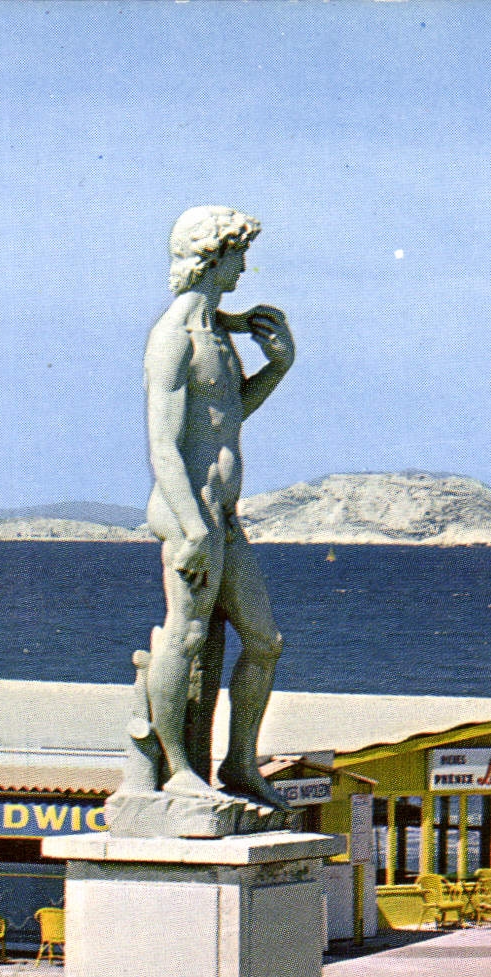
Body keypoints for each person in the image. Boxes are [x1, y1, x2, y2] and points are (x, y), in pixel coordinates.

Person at [140, 206, 295, 810]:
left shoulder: (215, 336)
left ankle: (238, 763)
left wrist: (277, 369)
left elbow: (226, 420)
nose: (245, 265)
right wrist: (193, 527)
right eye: (238, 254)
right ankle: (179, 767)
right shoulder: (174, 336)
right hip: (190, 513)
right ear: (212, 257)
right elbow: (163, 444)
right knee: (183, 638)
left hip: (222, 516)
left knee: (264, 639)